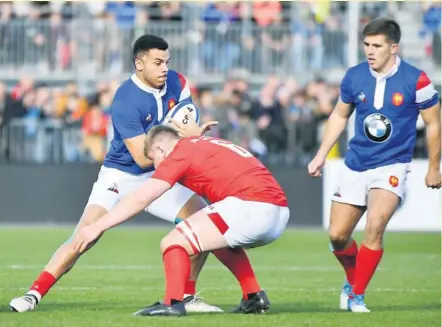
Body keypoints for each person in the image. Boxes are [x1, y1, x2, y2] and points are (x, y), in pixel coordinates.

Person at [9, 34, 222, 313]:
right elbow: (142, 157)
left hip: (159, 175)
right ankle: (33, 294)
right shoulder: (125, 99)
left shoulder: (178, 83)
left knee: (202, 223)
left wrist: (189, 135)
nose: (164, 68)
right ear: (139, 64)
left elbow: (185, 122)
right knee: (85, 237)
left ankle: (188, 297)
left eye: (167, 62)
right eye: (157, 63)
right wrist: (186, 140)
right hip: (120, 176)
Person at [72, 125, 290, 317]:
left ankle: (173, 303)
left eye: (153, 160)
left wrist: (97, 226)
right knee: (217, 238)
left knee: (172, 242)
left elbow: (142, 197)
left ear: (160, 149)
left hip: (250, 207)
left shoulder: (179, 153)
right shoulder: (205, 143)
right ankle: (254, 297)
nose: (155, 167)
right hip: (277, 211)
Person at [308, 18, 441, 313]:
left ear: (394, 47)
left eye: (377, 46)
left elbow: (434, 124)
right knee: (337, 236)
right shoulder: (355, 76)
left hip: (392, 165)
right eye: (366, 44)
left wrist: (434, 167)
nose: (370, 50)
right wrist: (320, 155)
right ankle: (352, 280)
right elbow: (340, 116)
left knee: (375, 227)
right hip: (356, 164)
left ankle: (357, 295)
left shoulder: (416, 80)